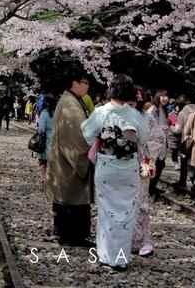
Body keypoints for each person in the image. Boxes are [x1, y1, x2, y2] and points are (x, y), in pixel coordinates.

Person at [82, 74, 148, 270]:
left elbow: (87, 134)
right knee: (126, 213)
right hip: (128, 168)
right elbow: (143, 138)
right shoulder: (135, 115)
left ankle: (106, 256)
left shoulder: (101, 112)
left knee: (106, 211)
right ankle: (121, 258)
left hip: (107, 165)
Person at [46, 73, 93, 247]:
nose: (87, 86)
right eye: (85, 82)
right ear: (75, 83)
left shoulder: (69, 101)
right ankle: (73, 236)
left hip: (63, 160)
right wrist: (86, 158)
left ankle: (67, 234)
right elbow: (77, 137)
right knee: (73, 199)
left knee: (66, 198)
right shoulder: (70, 105)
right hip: (68, 162)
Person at [133, 91, 166, 257]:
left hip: (142, 163)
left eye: (139, 97)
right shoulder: (120, 114)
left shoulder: (148, 117)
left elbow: (158, 138)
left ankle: (143, 240)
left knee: (141, 203)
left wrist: (148, 157)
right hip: (122, 165)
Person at [148, 89, 170, 196]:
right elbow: (149, 125)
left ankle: (152, 187)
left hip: (162, 143)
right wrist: (161, 129)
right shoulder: (153, 109)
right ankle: (148, 188)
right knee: (152, 165)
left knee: (160, 164)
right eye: (163, 96)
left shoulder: (164, 110)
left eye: (166, 96)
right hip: (153, 143)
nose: (165, 98)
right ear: (158, 97)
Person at [173, 94, 195, 192]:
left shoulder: (182, 113)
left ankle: (182, 182)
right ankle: (194, 183)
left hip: (186, 141)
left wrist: (170, 127)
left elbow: (177, 130)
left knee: (184, 162)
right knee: (194, 163)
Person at [36, 93, 56, 183]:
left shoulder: (44, 113)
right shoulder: (57, 112)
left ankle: (44, 178)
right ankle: (51, 177)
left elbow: (41, 129)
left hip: (46, 139)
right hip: (56, 138)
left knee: (42, 160)